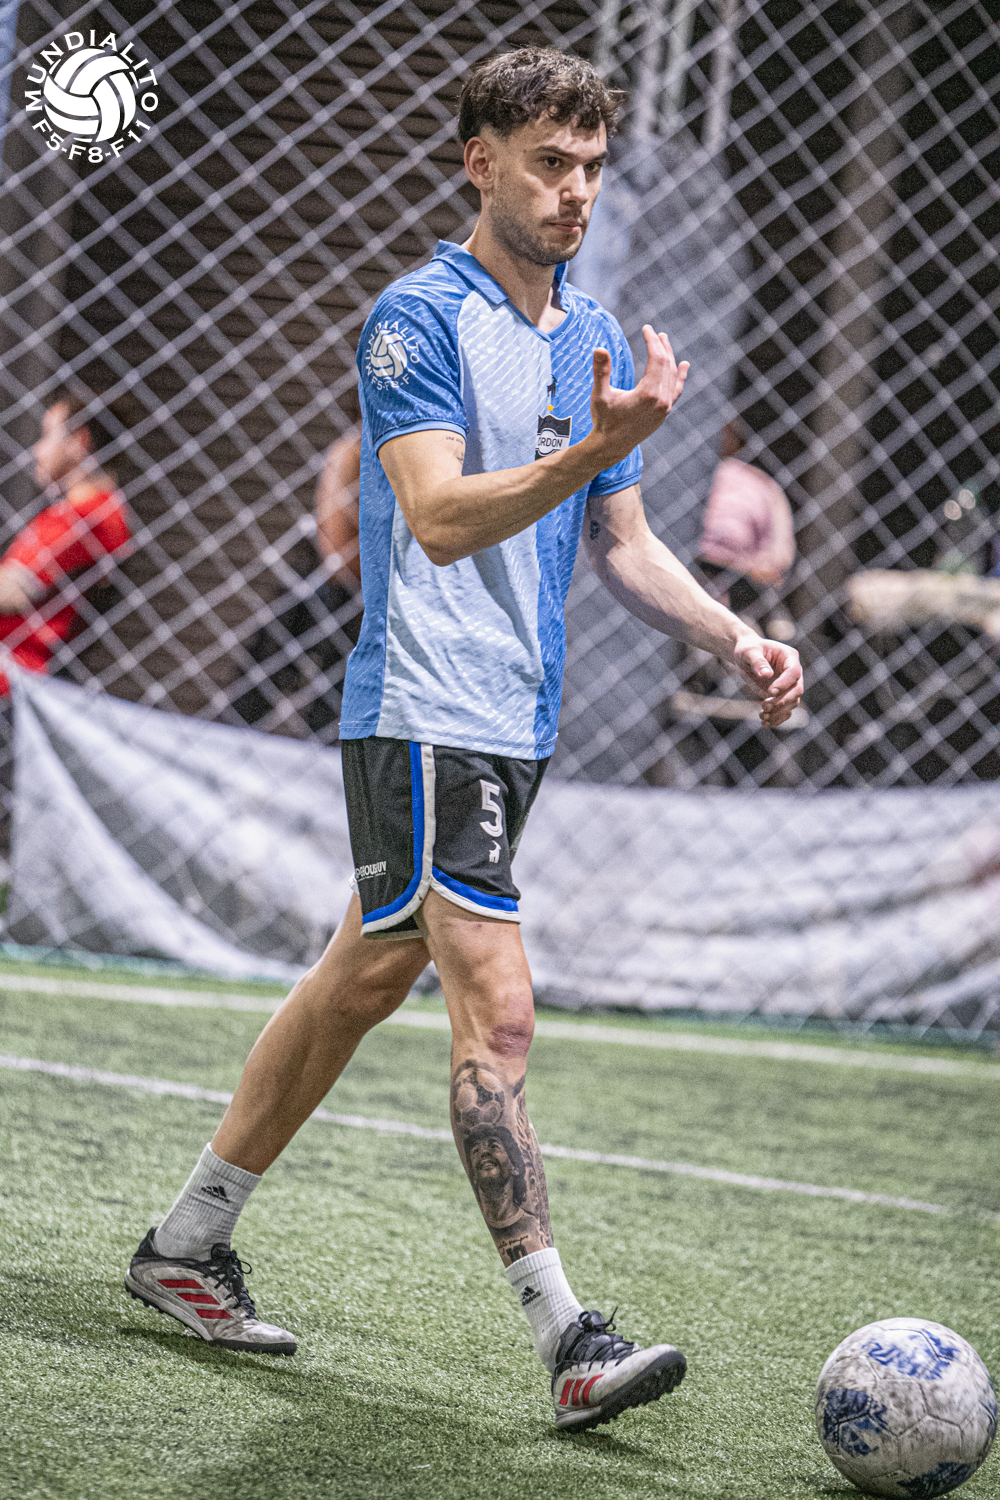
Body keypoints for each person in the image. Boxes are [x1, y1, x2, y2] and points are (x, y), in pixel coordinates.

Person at [124, 47, 803, 1431]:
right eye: (548, 163)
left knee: (365, 977)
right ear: (478, 160)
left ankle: (186, 1243)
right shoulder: (415, 320)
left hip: (513, 721)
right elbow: (435, 518)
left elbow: (622, 540)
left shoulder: (589, 332)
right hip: (427, 707)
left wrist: (732, 637)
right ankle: (568, 1337)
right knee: (497, 1011)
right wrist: (585, 452)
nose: (576, 192)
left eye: (592, 167)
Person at [231, 422, 362, 735]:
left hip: (356, 592)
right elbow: (335, 543)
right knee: (263, 677)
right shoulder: (352, 449)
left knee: (337, 698)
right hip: (329, 583)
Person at [0, 391, 131, 695]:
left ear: (79, 442)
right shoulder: (80, 512)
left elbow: (13, 591)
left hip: (17, 671)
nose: (38, 450)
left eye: (47, 436)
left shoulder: (90, 517)